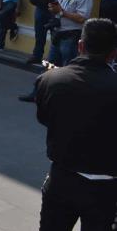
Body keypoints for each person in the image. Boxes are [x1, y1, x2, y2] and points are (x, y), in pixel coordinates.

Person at [35, 18, 117, 230]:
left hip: (62, 178)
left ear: (81, 46)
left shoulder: (50, 79)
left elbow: (45, 118)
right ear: (113, 53)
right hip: (105, 185)